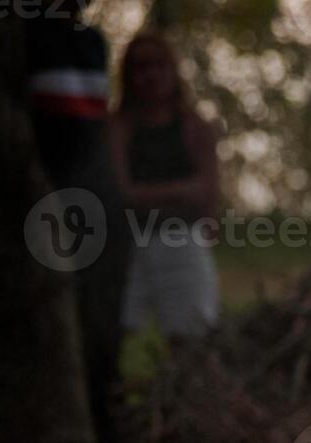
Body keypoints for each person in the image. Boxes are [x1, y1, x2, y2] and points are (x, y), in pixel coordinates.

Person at [25, 0, 130, 443]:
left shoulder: (92, 42)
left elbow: (97, 122)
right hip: (44, 200)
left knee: (102, 319)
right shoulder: (24, 38)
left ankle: (103, 422)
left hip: (98, 202)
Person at [109, 34, 221, 338]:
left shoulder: (194, 126)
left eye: (159, 65)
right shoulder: (117, 128)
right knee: (108, 334)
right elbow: (122, 194)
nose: (151, 75)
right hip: (126, 244)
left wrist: (145, 194)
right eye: (141, 67)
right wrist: (184, 190)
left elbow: (207, 192)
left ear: (172, 71)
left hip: (182, 240)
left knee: (192, 338)